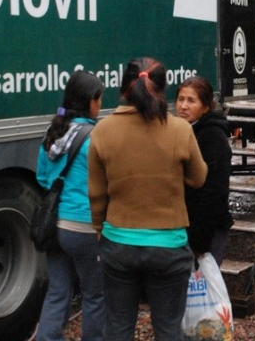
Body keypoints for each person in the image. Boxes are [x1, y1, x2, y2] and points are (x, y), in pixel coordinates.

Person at [87, 57, 208, 341]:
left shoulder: (102, 130)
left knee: (117, 327)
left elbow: (96, 192)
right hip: (168, 247)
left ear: (123, 88)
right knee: (167, 329)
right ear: (162, 89)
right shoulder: (180, 129)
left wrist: (98, 229)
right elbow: (198, 178)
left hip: (118, 243)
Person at [35, 71, 106, 341]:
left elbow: (42, 179)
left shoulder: (53, 133)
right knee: (95, 294)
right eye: (99, 100)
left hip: (55, 227)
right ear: (89, 101)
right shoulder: (95, 137)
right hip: (85, 226)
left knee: (58, 291)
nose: (100, 106)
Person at [175, 76, 234, 264]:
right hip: (183, 225)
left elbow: (214, 191)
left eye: (191, 101)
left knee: (203, 287)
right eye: (180, 99)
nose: (183, 106)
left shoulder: (212, 136)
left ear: (206, 107)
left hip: (206, 230)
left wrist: (198, 241)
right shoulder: (181, 131)